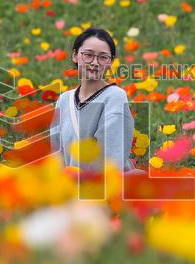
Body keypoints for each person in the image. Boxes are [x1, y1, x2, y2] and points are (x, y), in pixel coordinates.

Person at [50, 28, 139, 175]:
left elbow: (110, 158)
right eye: (88, 55)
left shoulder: (115, 97)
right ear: (75, 56)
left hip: (103, 189)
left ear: (110, 62)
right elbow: (55, 152)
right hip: (70, 189)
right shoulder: (64, 100)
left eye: (103, 57)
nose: (95, 62)